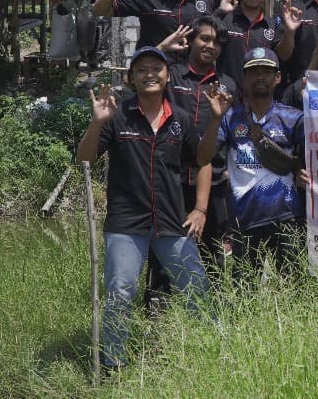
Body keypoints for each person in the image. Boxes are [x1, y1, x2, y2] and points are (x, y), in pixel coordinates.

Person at [75, 46, 224, 370]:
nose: (149, 74)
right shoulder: (117, 116)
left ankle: (217, 357)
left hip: (171, 223)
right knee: (119, 292)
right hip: (126, 225)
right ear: (131, 79)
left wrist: (199, 209)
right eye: (141, 69)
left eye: (156, 68)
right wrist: (97, 123)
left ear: (167, 76)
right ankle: (113, 365)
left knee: (198, 288)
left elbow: (203, 159)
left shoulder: (181, 119)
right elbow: (84, 159)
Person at [146, 17, 239, 298]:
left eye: (216, 42)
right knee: (162, 256)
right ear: (192, 41)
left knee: (212, 254)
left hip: (213, 181)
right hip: (170, 181)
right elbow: (142, 75)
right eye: (204, 39)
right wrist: (162, 47)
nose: (210, 46)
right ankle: (156, 320)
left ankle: (209, 317)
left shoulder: (227, 84)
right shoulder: (171, 75)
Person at [218, 47, 307, 276]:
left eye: (266, 71)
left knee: (293, 291)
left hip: (286, 217)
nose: (260, 76)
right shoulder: (229, 118)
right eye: (254, 71)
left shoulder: (293, 117)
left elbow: (313, 155)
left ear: (277, 77)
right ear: (244, 78)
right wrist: (215, 119)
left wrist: (304, 173)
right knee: (245, 293)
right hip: (243, 218)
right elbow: (203, 157)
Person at [218, 0, 293, 81]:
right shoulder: (225, 19)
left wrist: (290, 31)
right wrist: (220, 12)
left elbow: (284, 56)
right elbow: (204, 39)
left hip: (260, 94)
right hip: (228, 93)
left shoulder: (273, 26)